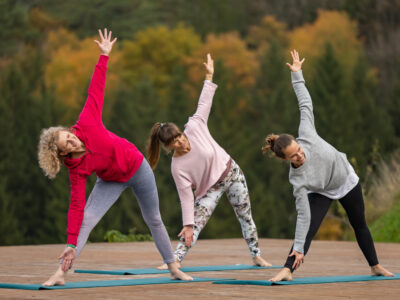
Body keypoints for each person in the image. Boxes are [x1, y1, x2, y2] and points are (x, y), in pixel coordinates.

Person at [37, 29, 192, 286]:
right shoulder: (76, 169)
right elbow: (76, 205)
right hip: (110, 180)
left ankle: (173, 267)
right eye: (68, 143)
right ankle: (60, 273)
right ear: (63, 153)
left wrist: (104, 56)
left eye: (69, 135)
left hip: (137, 167)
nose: (74, 139)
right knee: (86, 218)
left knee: (153, 219)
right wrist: (70, 242)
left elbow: (95, 90)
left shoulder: (86, 123)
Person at [262, 50, 394, 282]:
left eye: (299, 151)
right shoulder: (298, 181)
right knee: (308, 229)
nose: (300, 156)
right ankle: (287, 270)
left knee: (360, 224)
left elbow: (305, 104)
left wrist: (297, 75)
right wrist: (300, 248)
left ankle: (375, 265)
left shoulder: (306, 133)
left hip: (346, 180)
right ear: (285, 160)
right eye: (293, 157)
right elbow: (303, 216)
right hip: (321, 189)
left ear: (299, 142)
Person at [146, 54, 271, 269]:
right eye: (174, 142)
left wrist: (209, 75)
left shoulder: (194, 126)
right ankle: (173, 260)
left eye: (180, 137)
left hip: (232, 173)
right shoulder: (178, 167)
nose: (181, 142)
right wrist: (187, 224)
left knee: (245, 215)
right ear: (168, 146)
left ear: (182, 132)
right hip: (210, 190)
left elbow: (204, 102)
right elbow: (185, 198)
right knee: (194, 225)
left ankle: (256, 255)